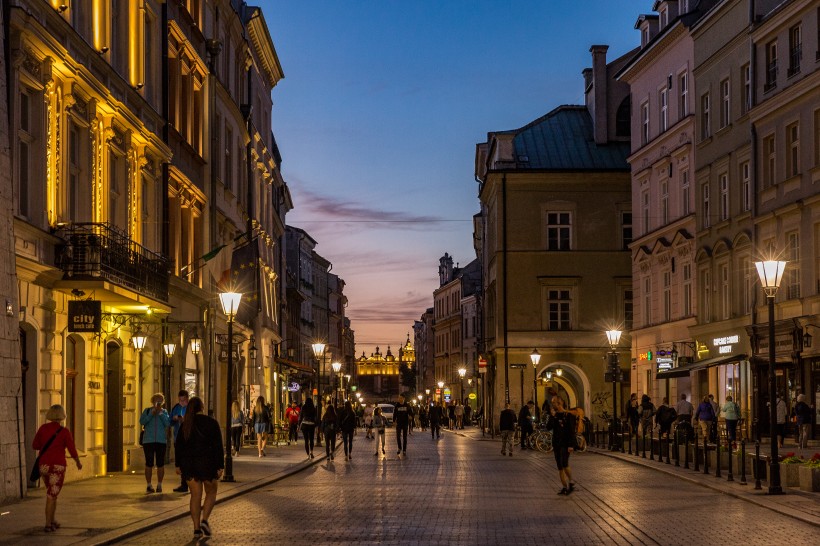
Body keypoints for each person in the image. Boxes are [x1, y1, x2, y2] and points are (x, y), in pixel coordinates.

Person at [174, 397, 224, 539]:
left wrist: (178, 465)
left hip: (189, 464)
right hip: (207, 463)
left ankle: (196, 528)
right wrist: (220, 465)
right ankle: (204, 520)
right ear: (202, 407)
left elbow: (179, 446)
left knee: (195, 496)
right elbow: (218, 446)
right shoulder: (211, 423)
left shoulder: (186, 424)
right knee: (211, 492)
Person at [32, 404, 82, 532]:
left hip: (43, 466)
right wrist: (77, 462)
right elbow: (71, 449)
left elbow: (35, 445)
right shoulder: (64, 431)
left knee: (52, 493)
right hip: (57, 467)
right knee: (51, 494)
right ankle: (48, 524)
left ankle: (52, 520)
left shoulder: (43, 429)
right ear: (62, 416)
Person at [139, 393, 171, 493]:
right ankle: (149, 485)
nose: (158, 403)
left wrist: (160, 413)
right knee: (149, 463)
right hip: (148, 440)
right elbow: (142, 421)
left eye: (160, 401)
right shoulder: (147, 410)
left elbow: (168, 423)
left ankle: (159, 485)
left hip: (161, 441)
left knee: (160, 463)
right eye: (156, 401)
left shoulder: (164, 412)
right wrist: (151, 414)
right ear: (153, 401)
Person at [547, 395, 577, 495]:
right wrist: (552, 416)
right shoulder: (554, 416)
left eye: (554, 402)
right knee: (559, 466)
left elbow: (572, 431)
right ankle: (564, 487)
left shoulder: (568, 415)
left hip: (566, 443)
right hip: (556, 443)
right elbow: (548, 427)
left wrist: (571, 445)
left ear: (560, 403)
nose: (552, 404)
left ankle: (571, 481)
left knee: (564, 463)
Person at [169, 390, 190, 493]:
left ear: (187, 398)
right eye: (180, 400)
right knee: (181, 462)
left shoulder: (190, 408)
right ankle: (184, 484)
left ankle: (190, 482)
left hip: (189, 438)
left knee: (188, 461)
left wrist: (185, 420)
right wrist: (174, 418)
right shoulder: (176, 407)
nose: (182, 402)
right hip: (178, 437)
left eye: (184, 400)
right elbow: (170, 422)